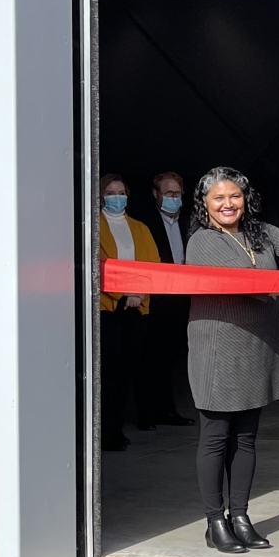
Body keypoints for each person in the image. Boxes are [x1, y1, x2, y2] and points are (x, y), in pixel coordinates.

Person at [185, 167, 279, 553]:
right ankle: (214, 521)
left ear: (245, 198)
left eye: (234, 196)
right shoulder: (202, 242)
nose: (227, 204)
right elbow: (248, 284)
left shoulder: (259, 233)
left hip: (257, 346)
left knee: (247, 438)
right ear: (204, 204)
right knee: (216, 437)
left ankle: (240, 515)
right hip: (218, 349)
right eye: (218, 198)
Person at [99, 174, 162, 453]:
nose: (117, 197)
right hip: (108, 307)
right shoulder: (92, 227)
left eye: (121, 192)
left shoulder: (140, 227)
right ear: (101, 196)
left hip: (137, 307)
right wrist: (123, 294)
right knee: (108, 372)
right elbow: (96, 266)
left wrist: (138, 294)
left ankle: (116, 429)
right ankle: (104, 431)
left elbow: (154, 265)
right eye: (111, 192)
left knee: (126, 371)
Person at [138, 171, 195, 428]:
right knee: (149, 358)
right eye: (167, 193)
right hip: (155, 299)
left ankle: (167, 410)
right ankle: (147, 414)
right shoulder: (144, 223)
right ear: (155, 194)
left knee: (170, 358)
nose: (173, 198)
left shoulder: (190, 223)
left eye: (177, 193)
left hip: (181, 299)